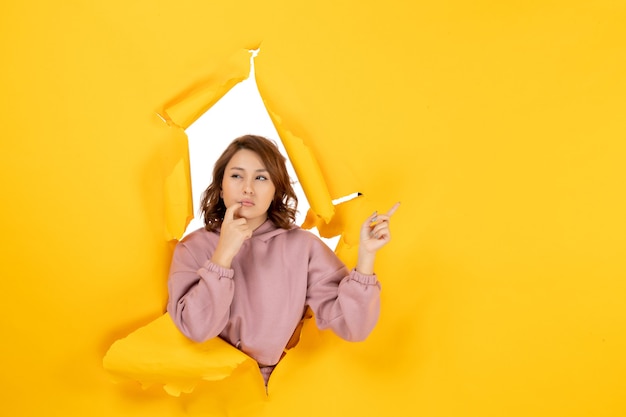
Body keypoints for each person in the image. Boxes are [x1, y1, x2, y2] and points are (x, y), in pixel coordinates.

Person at [167, 134, 399, 386]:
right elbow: (195, 329)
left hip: (277, 394)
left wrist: (366, 256)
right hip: (207, 391)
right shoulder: (191, 248)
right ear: (221, 187)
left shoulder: (303, 247)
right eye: (236, 175)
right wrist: (223, 255)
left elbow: (353, 326)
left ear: (275, 189)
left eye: (261, 177)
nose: (247, 187)